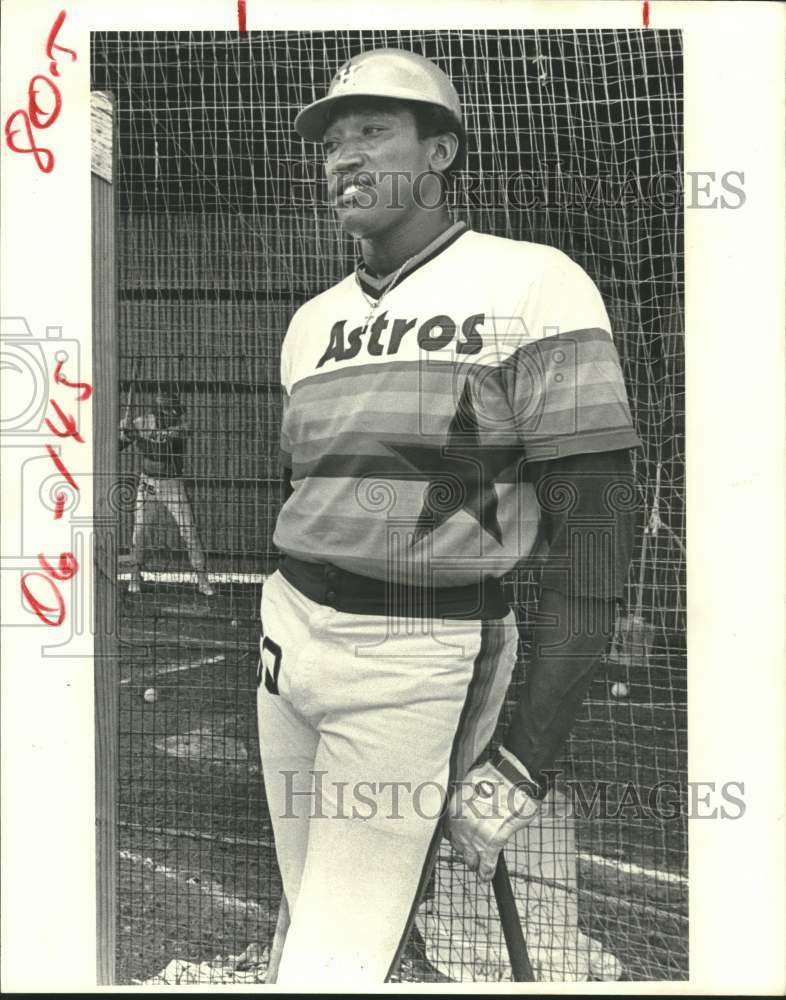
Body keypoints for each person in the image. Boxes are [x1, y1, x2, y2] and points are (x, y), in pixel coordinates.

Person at [256, 48, 640, 985]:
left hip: (420, 653)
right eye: (332, 141)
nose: (343, 157)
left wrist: (524, 757)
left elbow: (596, 535)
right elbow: (311, 494)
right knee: (326, 923)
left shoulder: (536, 283)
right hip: (285, 641)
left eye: (374, 132)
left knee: (330, 961)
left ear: (442, 154)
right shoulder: (310, 323)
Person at [120, 387, 214, 597]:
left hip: (173, 485)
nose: (175, 416)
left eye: (175, 412)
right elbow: (118, 446)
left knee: (189, 531)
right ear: (159, 411)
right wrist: (124, 432)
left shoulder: (181, 427)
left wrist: (138, 438)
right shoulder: (142, 422)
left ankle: (202, 579)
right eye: (169, 412)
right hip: (148, 485)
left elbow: (162, 452)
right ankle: (134, 577)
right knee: (139, 532)